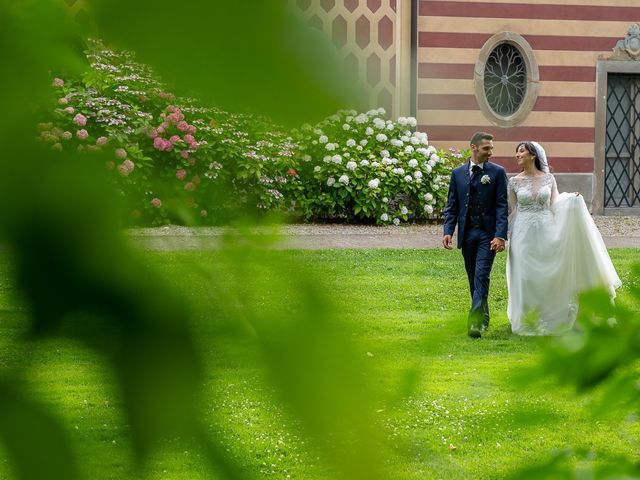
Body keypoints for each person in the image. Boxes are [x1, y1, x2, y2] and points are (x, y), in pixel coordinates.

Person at [506, 141, 621, 335]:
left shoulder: (549, 179)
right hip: (522, 233)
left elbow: (555, 203)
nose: (517, 155)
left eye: (521, 151)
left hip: (545, 229)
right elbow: (513, 210)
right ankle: (526, 317)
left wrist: (571, 200)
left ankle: (549, 315)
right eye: (516, 152)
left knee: (546, 274)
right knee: (525, 275)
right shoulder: (514, 182)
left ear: (533, 155)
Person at [442, 132, 509, 338]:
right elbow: (452, 205)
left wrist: (500, 235)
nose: (490, 152)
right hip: (467, 234)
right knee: (473, 276)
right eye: (486, 148)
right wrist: (448, 231)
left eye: (491, 148)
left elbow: (501, 206)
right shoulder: (457, 173)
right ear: (473, 148)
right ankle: (484, 315)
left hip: (487, 235)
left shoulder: (497, 173)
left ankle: (475, 322)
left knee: (481, 274)